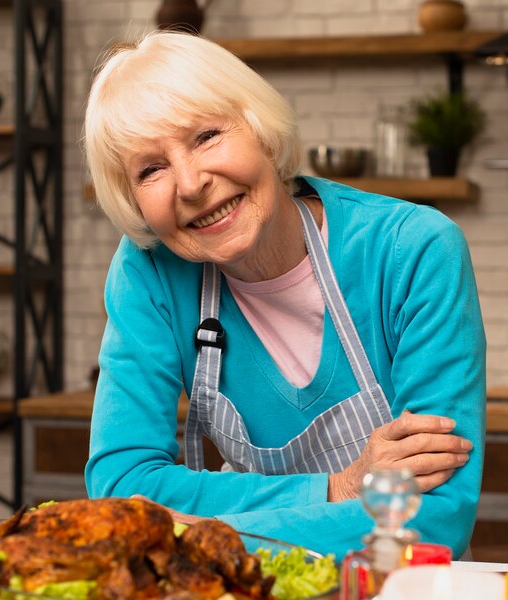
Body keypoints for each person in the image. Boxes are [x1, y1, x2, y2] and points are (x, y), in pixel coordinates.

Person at [82, 31, 486, 561]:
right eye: (150, 169)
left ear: (263, 133)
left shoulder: (412, 250)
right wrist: (336, 489)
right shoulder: (149, 270)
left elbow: (431, 521)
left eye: (206, 136)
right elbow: (121, 488)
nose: (189, 183)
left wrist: (192, 534)